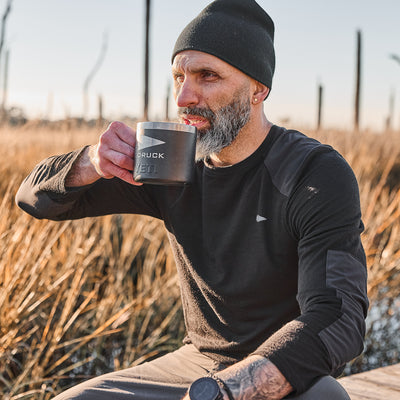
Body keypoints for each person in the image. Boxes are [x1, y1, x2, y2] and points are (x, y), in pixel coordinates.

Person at [16, 0, 369, 399]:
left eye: (207, 76)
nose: (184, 96)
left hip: (281, 369)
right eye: (178, 76)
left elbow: (338, 318)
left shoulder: (313, 172)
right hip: (194, 363)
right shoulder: (168, 160)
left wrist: (226, 391)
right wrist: (91, 162)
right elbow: (34, 200)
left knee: (328, 398)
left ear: (258, 88)